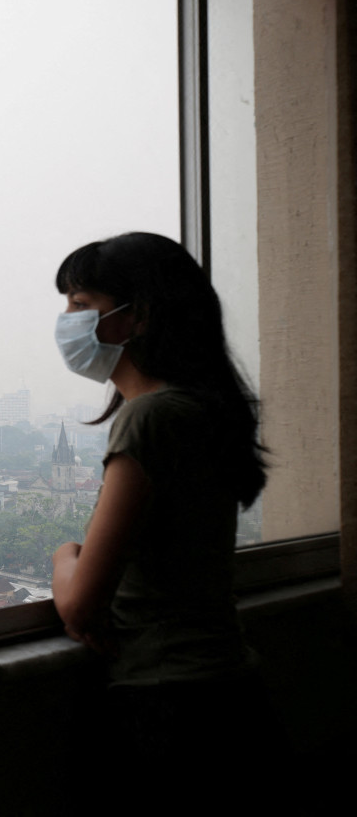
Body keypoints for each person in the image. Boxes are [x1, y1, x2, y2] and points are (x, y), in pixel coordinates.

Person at [49, 233, 273, 803]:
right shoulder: (203, 408)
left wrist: (64, 555)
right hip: (230, 684)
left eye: (81, 304)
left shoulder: (150, 419)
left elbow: (79, 605)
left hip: (168, 702)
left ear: (137, 317)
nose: (66, 321)